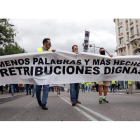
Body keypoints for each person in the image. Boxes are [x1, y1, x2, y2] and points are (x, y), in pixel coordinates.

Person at [36, 38, 55, 110]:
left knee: (46, 88)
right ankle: (38, 99)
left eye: (50, 44)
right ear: (44, 43)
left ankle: (44, 103)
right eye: (49, 43)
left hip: (47, 72)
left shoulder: (51, 51)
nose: (50, 45)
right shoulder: (37, 51)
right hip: (38, 73)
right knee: (38, 88)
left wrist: (55, 53)